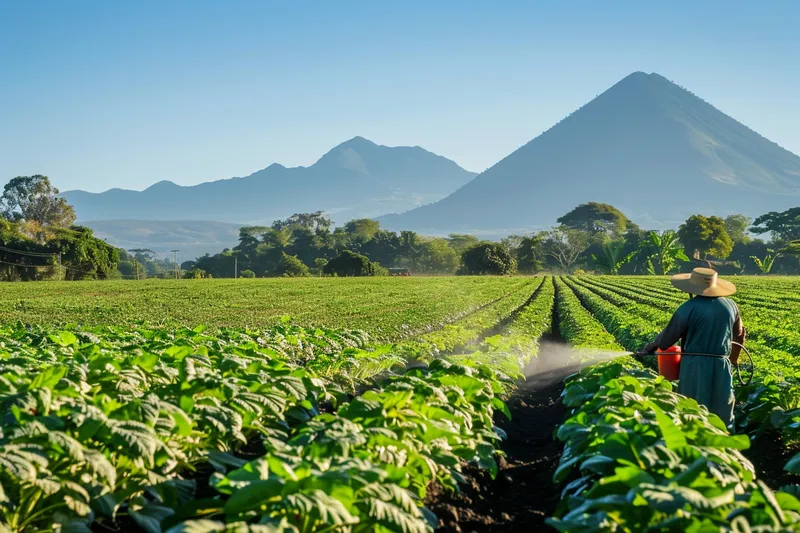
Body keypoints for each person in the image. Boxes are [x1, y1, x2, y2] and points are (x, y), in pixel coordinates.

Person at [639, 267, 746, 428]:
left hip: (694, 365)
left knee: (692, 408)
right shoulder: (731, 305)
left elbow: (666, 341)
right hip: (721, 364)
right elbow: (740, 335)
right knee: (722, 408)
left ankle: (694, 445)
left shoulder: (688, 308)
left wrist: (650, 347)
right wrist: (733, 359)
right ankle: (724, 446)